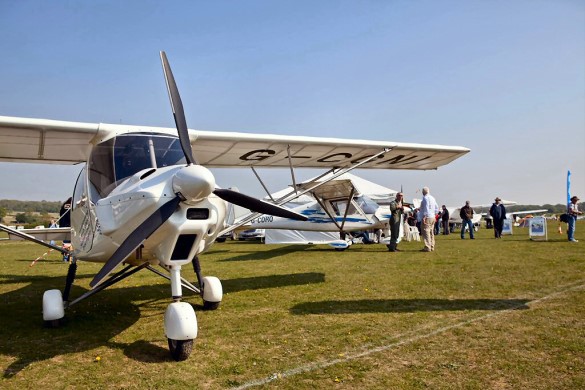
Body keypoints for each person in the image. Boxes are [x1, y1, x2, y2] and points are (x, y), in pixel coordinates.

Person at [417, 187, 439, 252]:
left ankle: (427, 247)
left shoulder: (425, 198)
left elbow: (426, 208)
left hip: (427, 217)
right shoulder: (433, 198)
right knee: (431, 232)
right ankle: (432, 246)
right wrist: (435, 215)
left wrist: (424, 217)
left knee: (426, 231)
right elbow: (436, 207)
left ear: (423, 192)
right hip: (432, 217)